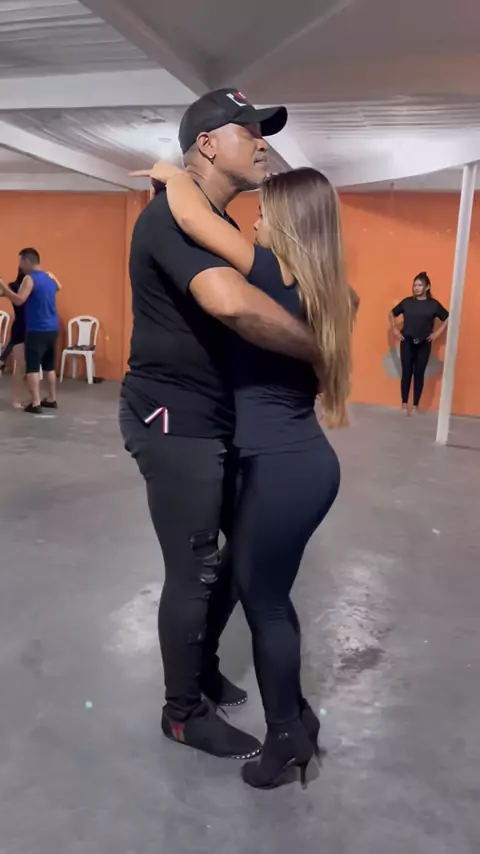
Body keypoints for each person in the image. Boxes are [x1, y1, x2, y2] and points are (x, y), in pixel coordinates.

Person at [120, 89, 324, 763]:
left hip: (218, 416)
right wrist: (319, 349)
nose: (263, 144)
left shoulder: (211, 217)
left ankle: (201, 666)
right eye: (250, 132)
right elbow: (230, 304)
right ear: (207, 144)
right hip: (173, 416)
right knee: (195, 567)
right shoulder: (170, 219)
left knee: (243, 555)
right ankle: (181, 713)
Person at [151, 163, 352, 788]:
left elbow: (190, 215)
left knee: (265, 603)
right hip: (301, 463)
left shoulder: (269, 273)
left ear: (288, 224)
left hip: (281, 467)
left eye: (264, 213)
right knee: (267, 594)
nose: (255, 221)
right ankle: (298, 717)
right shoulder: (334, 293)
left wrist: (169, 172)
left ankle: (285, 736)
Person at [0, 248, 61, 414]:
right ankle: (51, 399)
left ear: (27, 261)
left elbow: (19, 300)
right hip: (50, 328)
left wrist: (3, 286)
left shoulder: (30, 279)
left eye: (21, 261)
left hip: (36, 329)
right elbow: (58, 287)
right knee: (48, 367)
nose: (20, 265)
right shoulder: (48, 278)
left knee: (32, 367)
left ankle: (35, 403)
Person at [390, 272, 449, 414]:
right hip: (407, 342)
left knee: (419, 373)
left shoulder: (433, 305)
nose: (416, 287)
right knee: (406, 372)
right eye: (415, 285)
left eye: (420, 285)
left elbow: (447, 317)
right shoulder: (407, 302)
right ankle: (404, 405)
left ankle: (415, 405)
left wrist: (437, 333)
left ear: (427, 287)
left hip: (424, 343)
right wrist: (395, 329)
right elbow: (392, 313)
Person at [0, 268, 26, 408]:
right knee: (21, 366)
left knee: (23, 366)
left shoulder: (30, 286)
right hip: (22, 328)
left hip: (29, 327)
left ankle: (2, 359)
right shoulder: (14, 287)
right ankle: (17, 399)